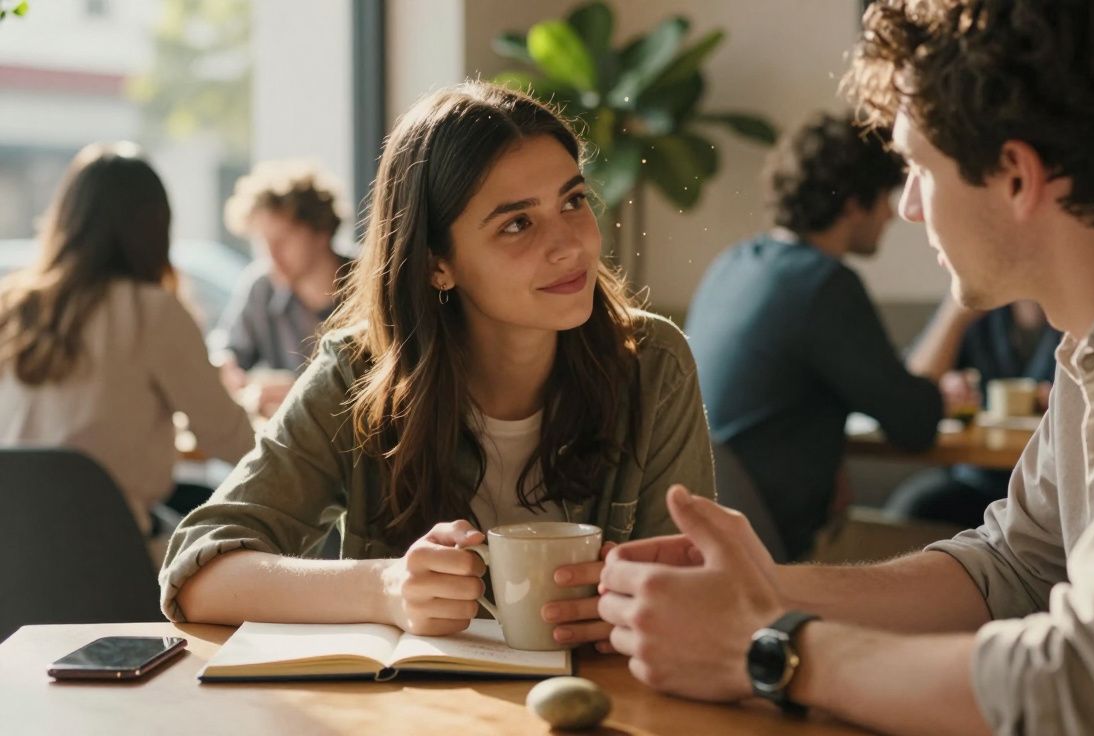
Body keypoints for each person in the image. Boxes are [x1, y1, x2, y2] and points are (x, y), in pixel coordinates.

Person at [597, 2, 1094, 733]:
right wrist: (754, 589)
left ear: (1015, 175)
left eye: (916, 165)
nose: (908, 205)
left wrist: (775, 650)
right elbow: (1015, 566)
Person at [161, 82, 715, 652]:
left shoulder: (650, 363)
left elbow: (699, 585)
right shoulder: (359, 375)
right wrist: (384, 587)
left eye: (573, 201)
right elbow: (199, 573)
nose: (571, 245)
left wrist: (641, 610)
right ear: (437, 265)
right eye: (517, 224)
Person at [684, 111, 942, 560]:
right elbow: (915, 423)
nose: (891, 214)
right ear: (852, 204)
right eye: (885, 196)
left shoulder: (736, 263)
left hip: (708, 525)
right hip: (768, 546)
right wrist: (958, 313)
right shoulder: (823, 284)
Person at [0, 143, 255, 566]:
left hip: (12, 560)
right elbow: (231, 440)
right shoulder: (151, 311)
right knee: (235, 557)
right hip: (107, 558)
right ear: (154, 228)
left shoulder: (13, 304)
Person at [887, 299, 1061, 527]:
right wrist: (955, 312)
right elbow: (909, 403)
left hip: (1053, 482)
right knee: (914, 506)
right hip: (980, 478)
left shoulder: (1074, 307)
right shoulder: (983, 305)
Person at [211, 160, 351, 416]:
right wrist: (224, 365)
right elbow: (228, 349)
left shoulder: (372, 285)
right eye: (264, 242)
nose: (272, 254)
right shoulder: (262, 288)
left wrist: (304, 394)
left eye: (283, 239)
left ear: (321, 231)